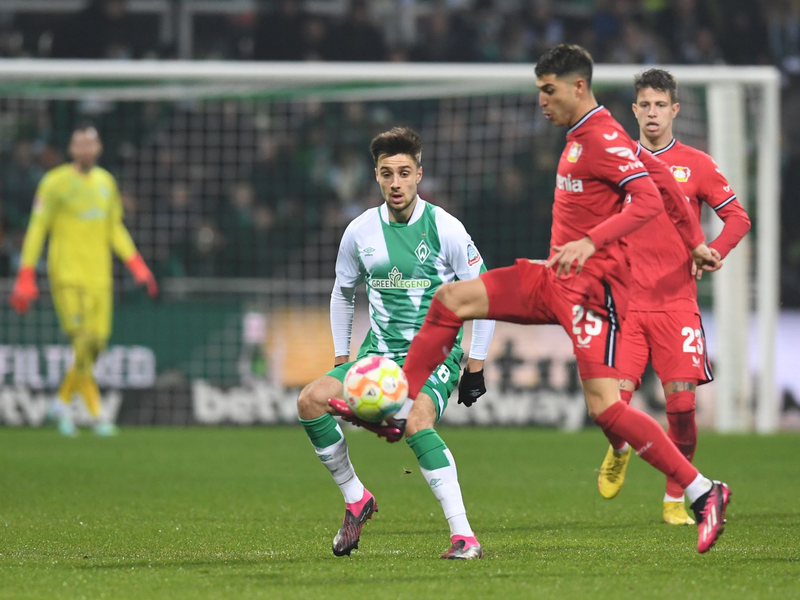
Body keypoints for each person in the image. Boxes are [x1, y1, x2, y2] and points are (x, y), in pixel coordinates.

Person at [396, 44, 731, 554]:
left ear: (578, 87)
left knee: (607, 410)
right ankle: (399, 402)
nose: (541, 101)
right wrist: (695, 243)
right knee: (450, 299)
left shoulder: (602, 137)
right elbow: (663, 182)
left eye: (548, 91)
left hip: (592, 296)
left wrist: (595, 241)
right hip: (552, 279)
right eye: (538, 91)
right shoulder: (582, 135)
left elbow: (646, 197)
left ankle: (704, 492)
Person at [297, 127, 495, 560]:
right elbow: (342, 293)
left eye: (405, 172)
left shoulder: (446, 228)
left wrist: (475, 365)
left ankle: (464, 537)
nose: (396, 182)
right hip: (377, 357)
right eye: (387, 173)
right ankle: (356, 498)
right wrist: (341, 360)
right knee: (311, 400)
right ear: (377, 177)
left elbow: (483, 295)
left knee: (417, 423)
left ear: (419, 174)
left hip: (434, 358)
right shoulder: (360, 232)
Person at [597, 69, 751, 524]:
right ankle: (619, 447)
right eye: (644, 104)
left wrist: (712, 254)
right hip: (626, 305)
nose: (651, 113)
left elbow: (738, 218)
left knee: (682, 409)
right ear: (634, 110)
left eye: (659, 105)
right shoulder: (616, 165)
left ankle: (674, 499)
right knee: (612, 408)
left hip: (676, 304)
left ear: (674, 110)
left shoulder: (696, 164)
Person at [9, 123, 158, 436]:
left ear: (99, 147)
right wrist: (26, 274)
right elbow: (38, 228)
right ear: (71, 149)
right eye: (80, 143)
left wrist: (138, 266)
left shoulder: (106, 183)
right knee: (83, 341)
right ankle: (97, 413)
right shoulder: (54, 183)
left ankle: (61, 403)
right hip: (67, 275)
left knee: (96, 345)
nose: (86, 149)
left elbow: (114, 228)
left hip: (99, 278)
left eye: (91, 143)